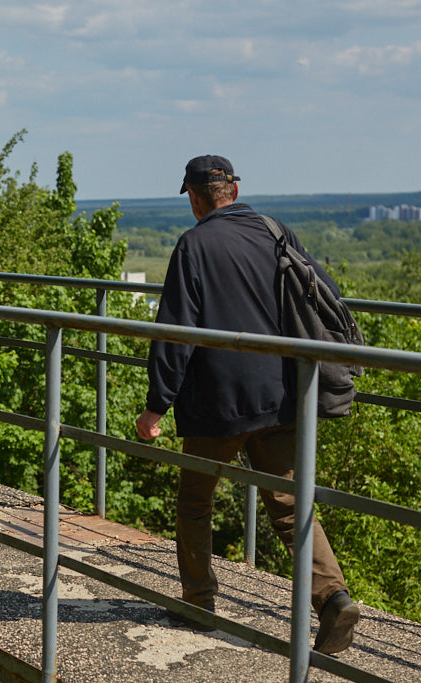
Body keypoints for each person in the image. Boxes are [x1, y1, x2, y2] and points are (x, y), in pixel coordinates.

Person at [134, 154, 359, 655]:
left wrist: (156, 405)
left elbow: (175, 333)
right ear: (233, 191)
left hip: (217, 404)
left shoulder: (193, 244)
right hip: (282, 395)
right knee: (288, 506)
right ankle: (334, 597)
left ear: (194, 198)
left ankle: (199, 601)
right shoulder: (274, 231)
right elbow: (326, 294)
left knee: (195, 502)